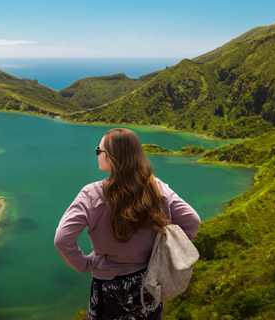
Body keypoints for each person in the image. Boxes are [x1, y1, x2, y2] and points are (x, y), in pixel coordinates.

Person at [54, 128, 201, 320]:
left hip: (109, 287)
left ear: (113, 157)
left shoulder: (91, 194)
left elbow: (62, 240)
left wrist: (86, 264)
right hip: (150, 284)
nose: (97, 154)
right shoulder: (158, 188)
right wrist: (162, 253)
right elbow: (192, 222)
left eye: (100, 150)